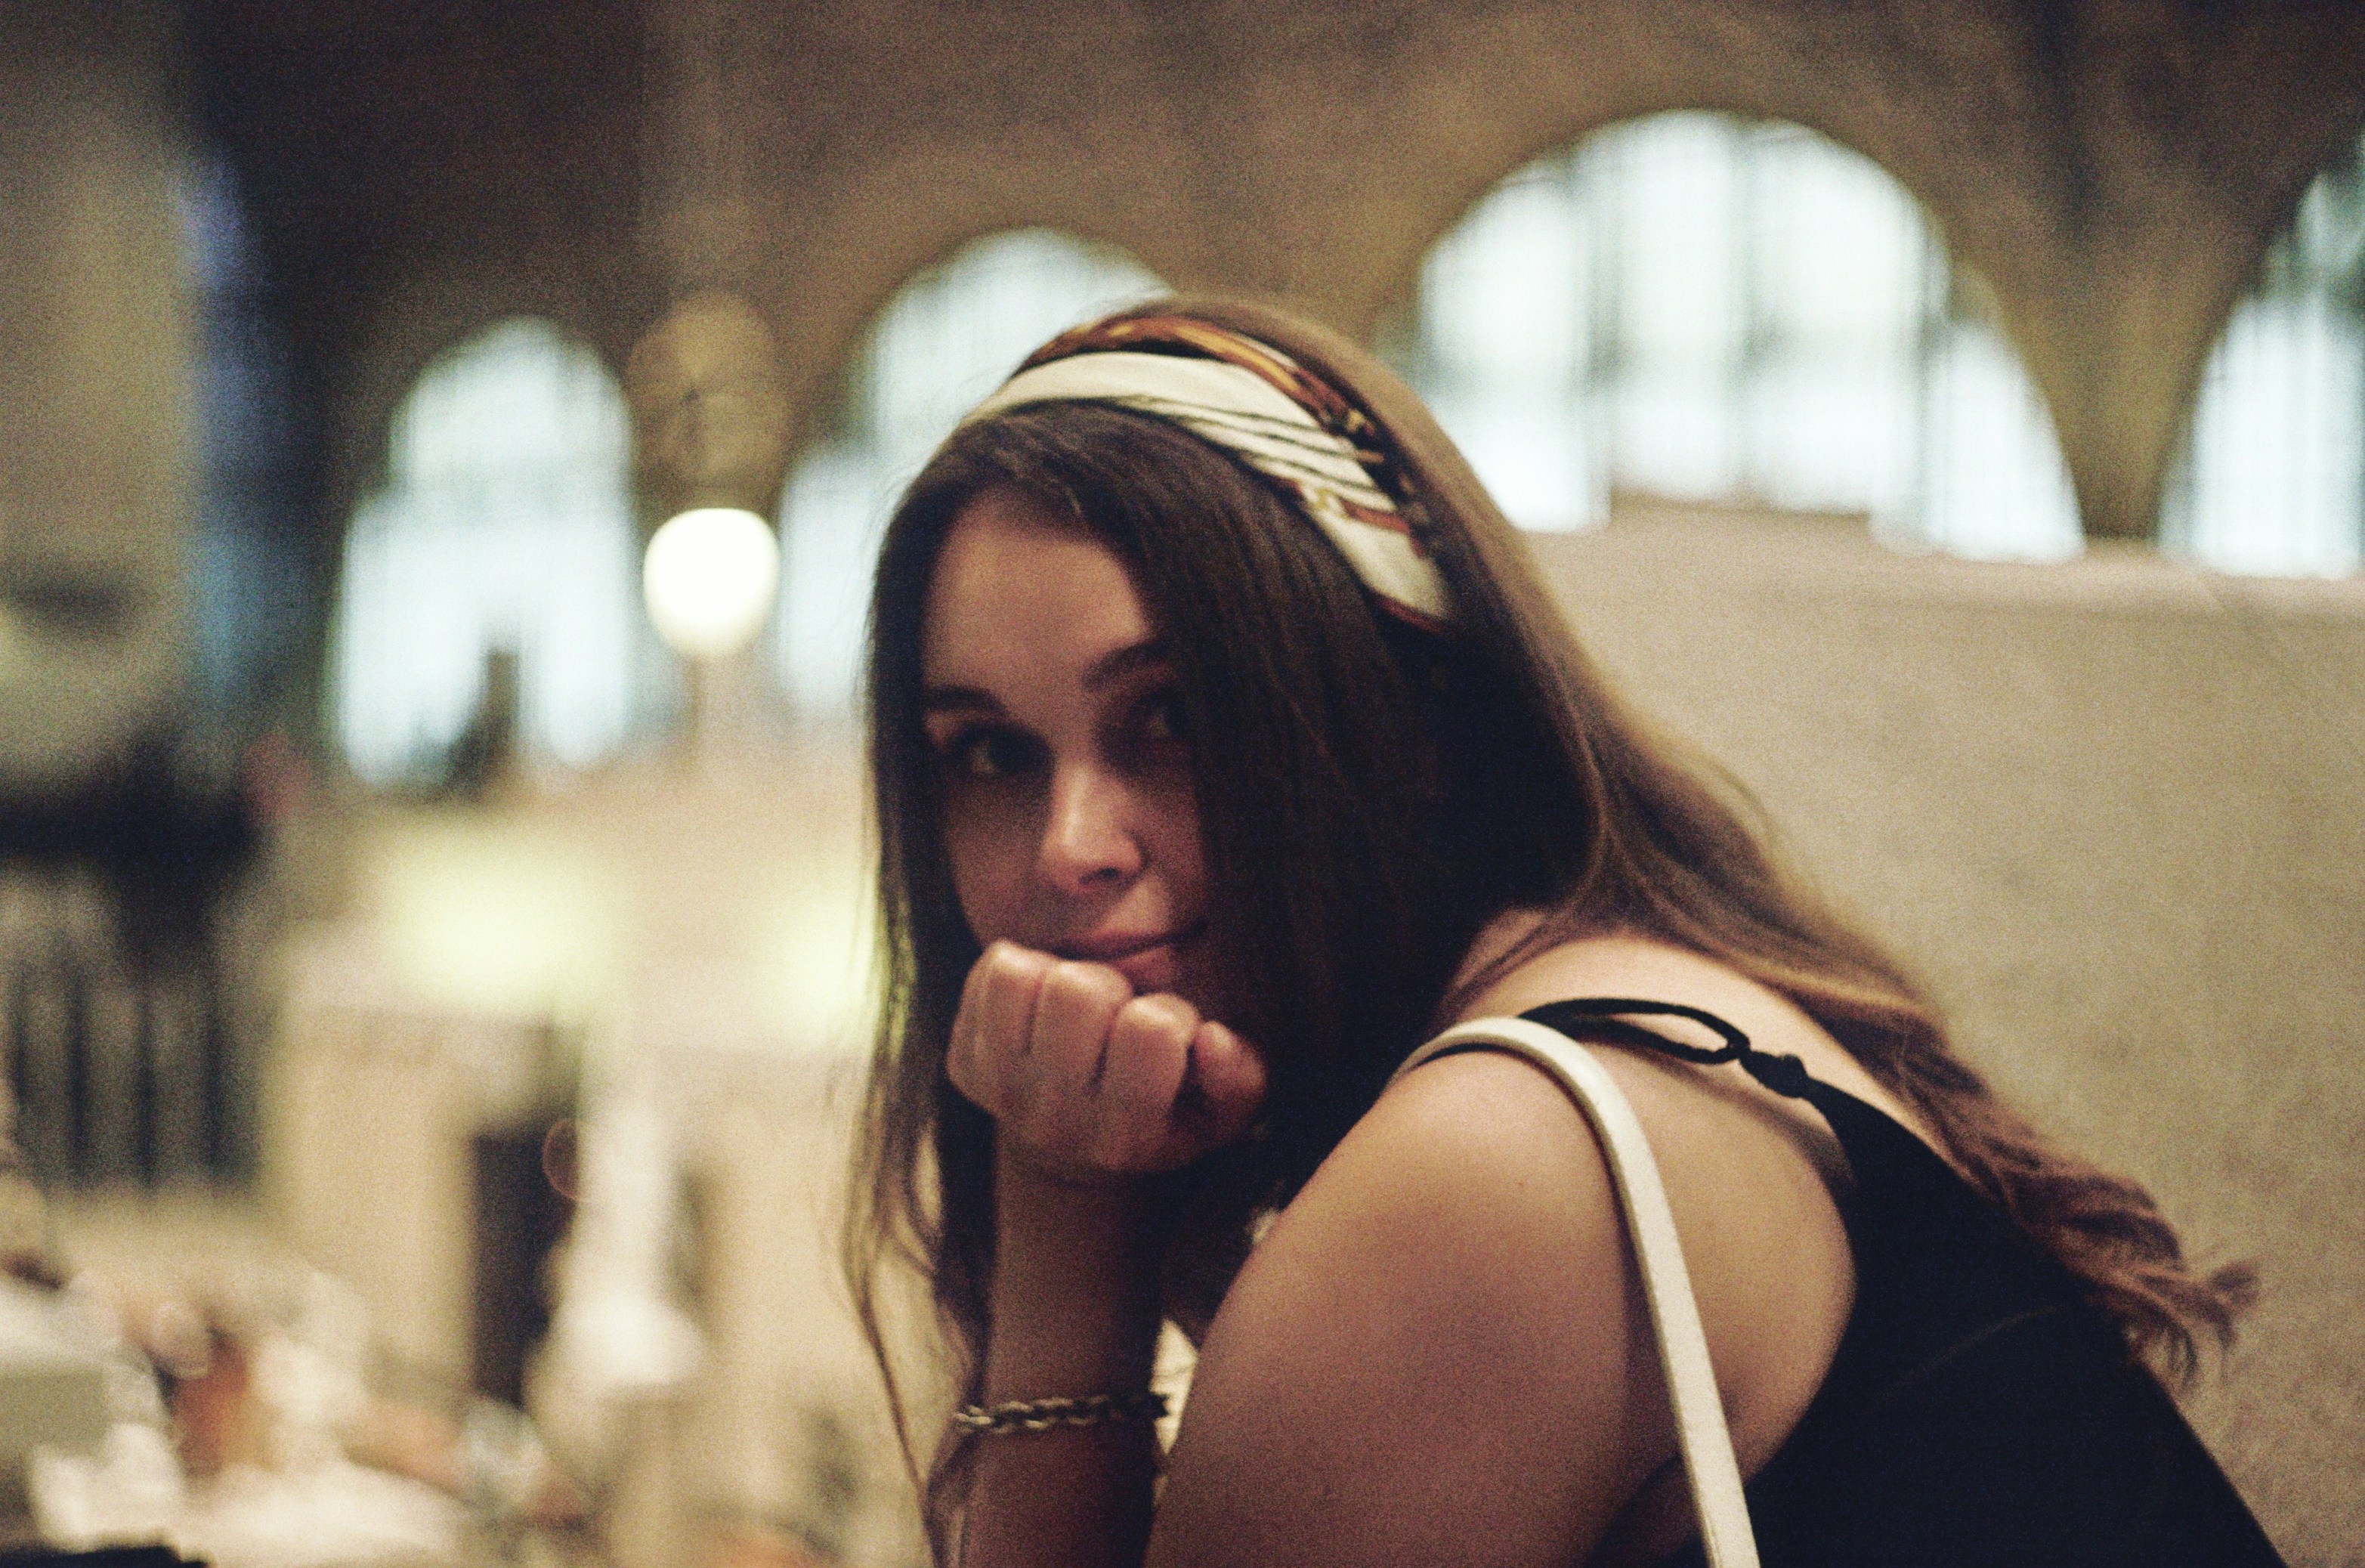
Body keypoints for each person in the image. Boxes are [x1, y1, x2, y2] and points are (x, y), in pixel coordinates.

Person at [845, 298, 2282, 1566]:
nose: (1069, 851)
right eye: (986, 754)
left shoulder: (1494, 1169)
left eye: (1175, 718)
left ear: (1410, 717)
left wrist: (1063, 1236)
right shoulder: (1627, 1008)